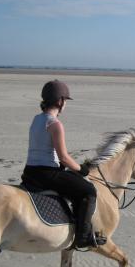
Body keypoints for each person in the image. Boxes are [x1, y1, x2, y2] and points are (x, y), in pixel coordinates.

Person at [21, 80, 106, 249]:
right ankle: (83, 237)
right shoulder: (55, 124)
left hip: (30, 172)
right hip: (47, 175)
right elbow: (64, 158)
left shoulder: (36, 119)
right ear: (60, 101)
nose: (65, 104)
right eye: (65, 100)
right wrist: (82, 169)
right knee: (89, 191)